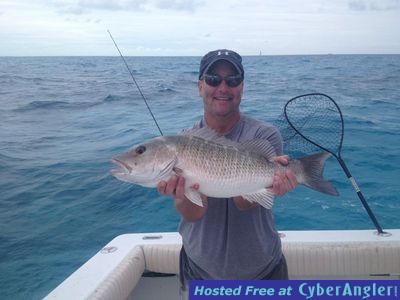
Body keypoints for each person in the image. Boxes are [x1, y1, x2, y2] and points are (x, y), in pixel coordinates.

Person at [157, 49, 298, 288]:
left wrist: (273, 183)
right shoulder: (184, 140)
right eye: (213, 79)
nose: (223, 88)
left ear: (241, 87)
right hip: (201, 271)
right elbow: (193, 214)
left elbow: (243, 203)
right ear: (200, 86)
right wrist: (181, 193)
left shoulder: (264, 134)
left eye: (232, 80)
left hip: (263, 271)